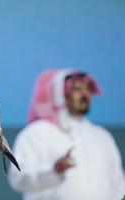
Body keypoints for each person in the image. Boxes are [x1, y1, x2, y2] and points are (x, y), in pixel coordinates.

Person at [8, 69, 125, 200]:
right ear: (58, 94)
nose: (85, 94)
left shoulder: (103, 137)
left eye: (87, 88)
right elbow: (17, 178)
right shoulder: (35, 134)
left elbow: (118, 184)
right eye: (77, 89)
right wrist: (53, 170)